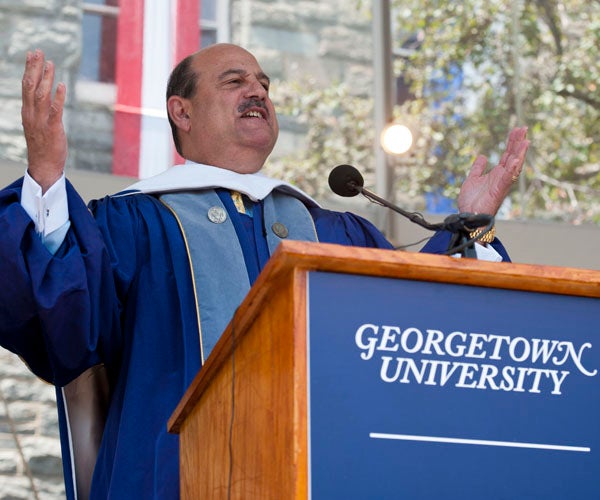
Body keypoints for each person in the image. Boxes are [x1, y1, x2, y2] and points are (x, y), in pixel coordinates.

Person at [0, 43, 529, 499]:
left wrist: (474, 226)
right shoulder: (130, 223)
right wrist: (46, 176)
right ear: (181, 113)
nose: (256, 91)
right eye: (234, 81)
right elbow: (62, 323)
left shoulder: (331, 232)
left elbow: (414, 324)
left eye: (263, 83)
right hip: (180, 479)